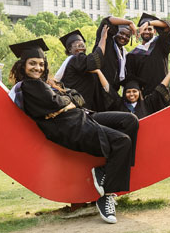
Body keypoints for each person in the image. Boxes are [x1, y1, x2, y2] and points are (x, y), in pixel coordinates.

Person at [7, 37, 139, 224]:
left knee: (130, 120)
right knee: (122, 141)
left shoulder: (47, 84)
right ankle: (107, 195)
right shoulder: (28, 86)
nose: (37, 68)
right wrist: (67, 101)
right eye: (32, 64)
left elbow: (78, 97)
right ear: (23, 66)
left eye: (41, 64)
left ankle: (109, 170)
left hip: (81, 117)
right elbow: (56, 102)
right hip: (72, 128)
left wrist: (67, 103)